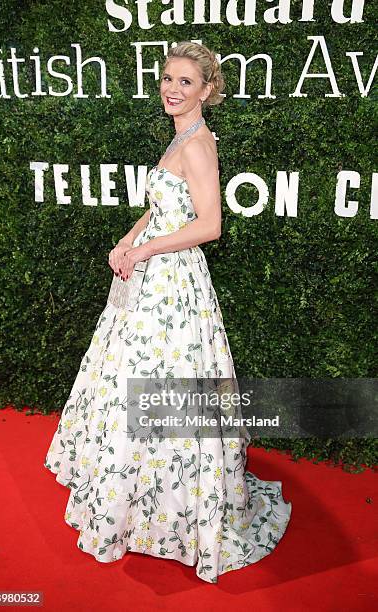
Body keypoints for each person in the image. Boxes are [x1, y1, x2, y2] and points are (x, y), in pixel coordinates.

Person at [44, 41, 292, 584]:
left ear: (207, 90)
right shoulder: (180, 138)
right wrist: (128, 238)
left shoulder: (200, 145)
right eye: (167, 79)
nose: (172, 89)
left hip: (173, 285)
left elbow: (209, 226)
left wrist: (147, 249)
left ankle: (163, 505)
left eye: (185, 81)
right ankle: (133, 494)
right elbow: (162, 209)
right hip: (151, 277)